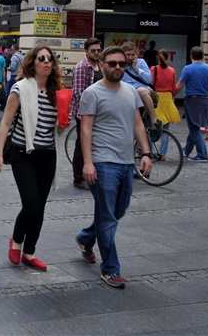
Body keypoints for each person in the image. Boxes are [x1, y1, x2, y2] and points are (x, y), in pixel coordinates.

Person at [75, 45, 152, 289]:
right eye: (112, 63)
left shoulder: (131, 91)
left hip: (126, 161)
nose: (118, 67)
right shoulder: (92, 93)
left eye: (122, 63)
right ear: (103, 65)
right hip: (102, 161)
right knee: (108, 217)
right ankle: (110, 269)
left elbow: (138, 124)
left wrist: (146, 153)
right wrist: (88, 163)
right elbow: (85, 130)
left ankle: (86, 237)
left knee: (118, 211)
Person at [0, 46, 66, 272]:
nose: (46, 62)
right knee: (31, 204)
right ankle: (16, 240)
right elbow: (5, 122)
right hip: (24, 154)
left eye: (49, 58)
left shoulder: (57, 92)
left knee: (40, 207)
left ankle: (29, 252)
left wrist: (64, 123)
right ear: (32, 62)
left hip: (48, 155)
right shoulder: (20, 88)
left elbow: (56, 129)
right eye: (41, 58)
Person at [69, 38, 103, 189]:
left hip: (98, 112)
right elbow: (77, 93)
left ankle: (91, 172)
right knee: (81, 144)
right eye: (93, 50)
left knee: (93, 142)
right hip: (84, 112)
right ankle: (78, 178)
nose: (96, 53)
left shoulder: (99, 66)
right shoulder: (82, 67)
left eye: (98, 50)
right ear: (86, 51)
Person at [174, 46, 208, 163]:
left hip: (192, 100)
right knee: (195, 126)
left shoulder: (188, 69)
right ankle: (186, 150)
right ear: (203, 56)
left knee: (194, 128)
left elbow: (179, 85)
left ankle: (202, 154)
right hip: (205, 100)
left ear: (191, 56)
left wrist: (171, 95)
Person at [121, 42, 162, 140]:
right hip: (130, 98)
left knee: (140, 91)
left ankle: (154, 122)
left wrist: (136, 68)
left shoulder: (141, 62)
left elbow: (149, 79)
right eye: (128, 55)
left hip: (147, 93)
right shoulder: (120, 66)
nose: (130, 58)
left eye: (133, 55)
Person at [150, 49, 180, 159]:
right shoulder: (172, 70)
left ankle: (150, 152)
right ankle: (163, 154)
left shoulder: (154, 69)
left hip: (156, 98)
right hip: (167, 99)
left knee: (151, 126)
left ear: (158, 57)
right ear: (168, 58)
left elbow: (150, 83)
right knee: (166, 129)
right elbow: (173, 87)